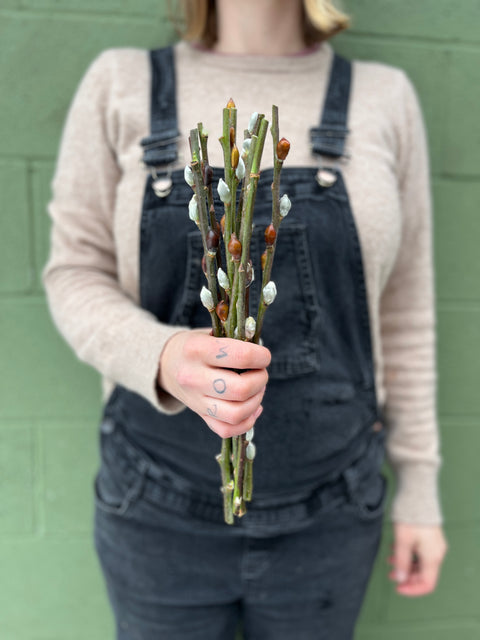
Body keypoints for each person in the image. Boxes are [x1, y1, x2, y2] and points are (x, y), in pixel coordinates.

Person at [43, 0, 449, 637]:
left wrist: (420, 487)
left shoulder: (384, 97)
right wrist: (161, 356)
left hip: (332, 515)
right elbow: (73, 272)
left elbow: (405, 313)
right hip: (154, 511)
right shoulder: (120, 83)